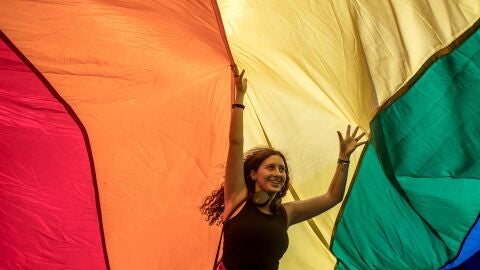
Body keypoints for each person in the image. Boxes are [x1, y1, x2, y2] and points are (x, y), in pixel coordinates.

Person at [200, 68, 367, 270]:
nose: (278, 173)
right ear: (253, 174)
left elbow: (332, 197)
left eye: (282, 170)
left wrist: (344, 158)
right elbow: (236, 143)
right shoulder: (236, 199)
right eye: (271, 167)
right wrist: (240, 98)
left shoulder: (287, 213)